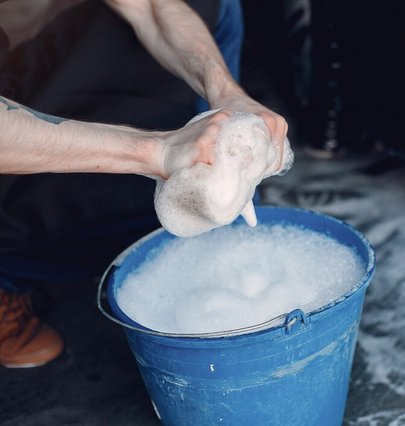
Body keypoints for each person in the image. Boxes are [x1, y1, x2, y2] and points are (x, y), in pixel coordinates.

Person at [0, 0, 289, 368]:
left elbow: (152, 5)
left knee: (213, 7)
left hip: (23, 56)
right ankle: (9, 272)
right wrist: (156, 152)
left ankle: (219, 245)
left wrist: (227, 95)